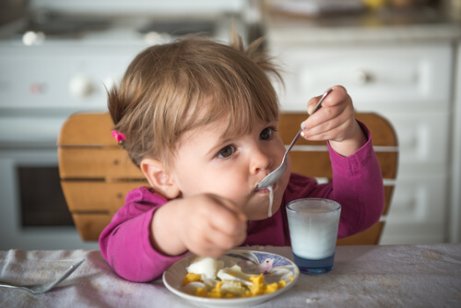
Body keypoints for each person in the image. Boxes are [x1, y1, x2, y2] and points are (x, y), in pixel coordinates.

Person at [99, 35, 384, 282]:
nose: (263, 159)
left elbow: (357, 211)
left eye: (266, 132)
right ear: (164, 176)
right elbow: (120, 258)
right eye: (226, 150)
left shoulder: (290, 200)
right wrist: (174, 225)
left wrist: (347, 137)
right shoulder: (155, 209)